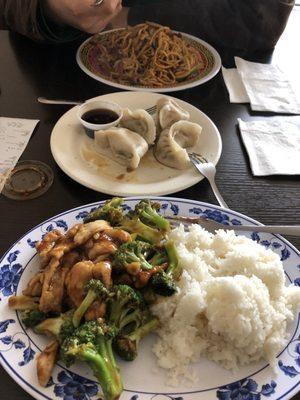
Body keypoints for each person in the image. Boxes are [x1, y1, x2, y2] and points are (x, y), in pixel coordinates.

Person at [0, 0, 295, 51]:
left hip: (218, 98)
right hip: (56, 72)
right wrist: (48, 8)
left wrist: (124, 17)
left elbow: (261, 19)